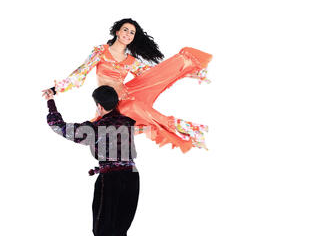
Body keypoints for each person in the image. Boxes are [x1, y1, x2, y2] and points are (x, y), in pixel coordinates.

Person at [42, 18, 212, 153]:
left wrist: (187, 73)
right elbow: (81, 72)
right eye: (125, 30)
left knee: (142, 116)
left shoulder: (131, 61)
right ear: (117, 31)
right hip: (108, 103)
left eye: (132, 32)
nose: (128, 34)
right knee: (127, 129)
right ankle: (192, 131)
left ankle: (192, 131)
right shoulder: (101, 51)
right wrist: (55, 90)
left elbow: (156, 75)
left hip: (127, 97)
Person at [45, 85, 139, 236]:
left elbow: (58, 126)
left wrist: (50, 102)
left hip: (111, 179)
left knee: (102, 229)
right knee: (121, 226)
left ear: (98, 105)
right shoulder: (128, 122)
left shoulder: (95, 128)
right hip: (132, 177)